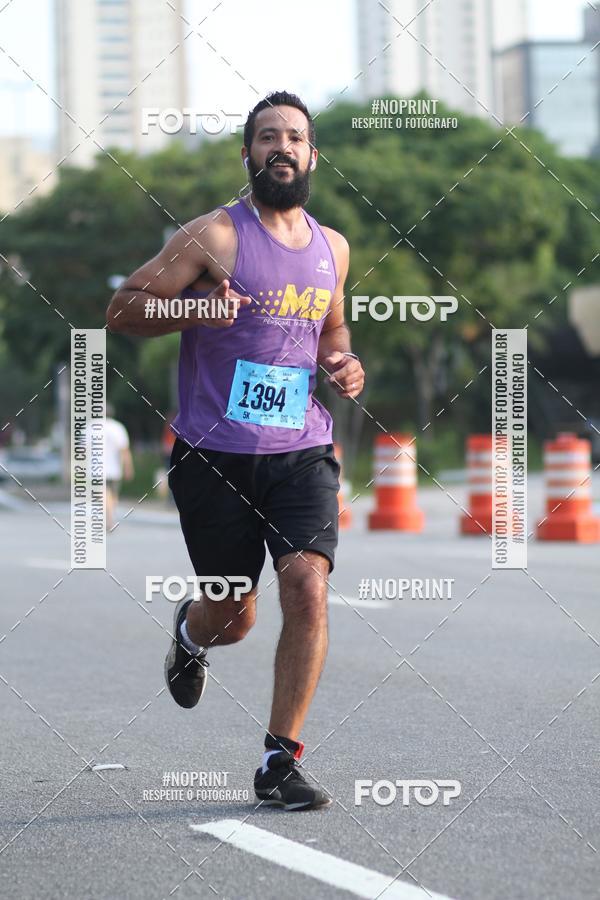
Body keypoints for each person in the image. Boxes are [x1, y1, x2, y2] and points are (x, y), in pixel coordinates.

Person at [107, 90, 365, 811]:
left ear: (313, 155)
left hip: (302, 449)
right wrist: (194, 308)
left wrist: (344, 364)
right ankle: (192, 635)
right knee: (235, 614)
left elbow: (333, 333)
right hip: (214, 455)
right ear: (248, 154)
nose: (282, 147)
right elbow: (122, 308)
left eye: (295, 137)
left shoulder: (332, 248)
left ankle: (279, 762)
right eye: (267, 137)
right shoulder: (214, 237)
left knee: (308, 585)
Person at [103, 403, 134, 530]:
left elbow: (81, 451)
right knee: (112, 495)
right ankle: (109, 518)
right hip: (114, 469)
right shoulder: (118, 428)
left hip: (95, 470)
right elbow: (124, 450)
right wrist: (128, 467)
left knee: (103, 494)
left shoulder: (89, 427)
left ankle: (108, 517)